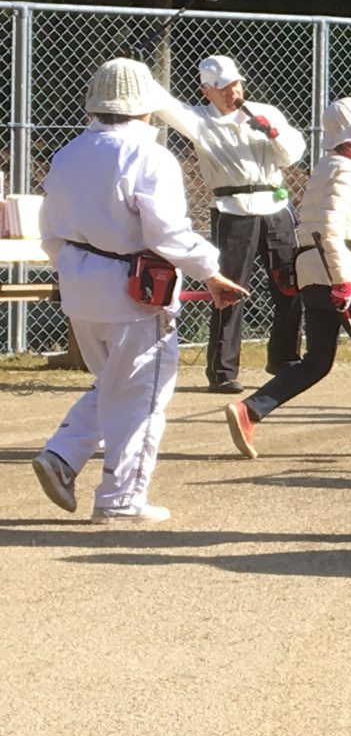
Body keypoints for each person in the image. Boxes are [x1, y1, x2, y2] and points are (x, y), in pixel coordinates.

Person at [31, 59, 248, 524]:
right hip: (133, 295)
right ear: (146, 107)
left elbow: (49, 231)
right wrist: (210, 270)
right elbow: (168, 234)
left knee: (115, 384)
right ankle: (121, 498)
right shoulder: (149, 157)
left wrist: (73, 269)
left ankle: (63, 455)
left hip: (81, 291)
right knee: (143, 396)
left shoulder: (68, 154)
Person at [223, 98, 351, 458]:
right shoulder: (349, 172)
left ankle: (250, 410)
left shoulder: (326, 168)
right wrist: (343, 281)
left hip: (314, 273)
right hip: (340, 276)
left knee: (317, 361)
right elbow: (332, 230)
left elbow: (346, 234)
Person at [151, 54, 306, 392]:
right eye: (223, 88)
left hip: (275, 205)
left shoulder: (265, 112)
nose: (233, 92)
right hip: (232, 207)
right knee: (229, 288)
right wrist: (136, 67)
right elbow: (163, 103)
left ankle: (285, 358)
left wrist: (273, 133)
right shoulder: (199, 120)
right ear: (207, 91)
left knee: (290, 283)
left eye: (236, 84)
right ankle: (223, 372)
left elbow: (294, 153)